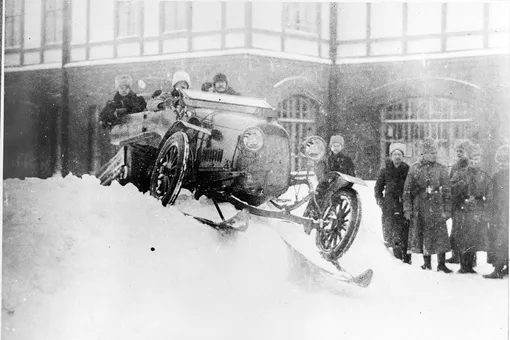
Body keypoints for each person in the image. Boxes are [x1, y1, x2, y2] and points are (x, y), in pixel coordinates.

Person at [403, 137, 453, 273]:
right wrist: (407, 209)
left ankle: (441, 264)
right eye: (430, 152)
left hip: (437, 204)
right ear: (424, 153)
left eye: (435, 152)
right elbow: (407, 191)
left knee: (440, 234)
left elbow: (448, 191)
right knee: (423, 232)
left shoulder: (441, 169)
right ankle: (427, 263)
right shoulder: (415, 168)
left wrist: (447, 210)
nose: (433, 155)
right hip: (420, 204)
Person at [450, 144, 490, 274]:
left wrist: (483, 206)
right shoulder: (460, 173)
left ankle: (470, 265)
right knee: (463, 236)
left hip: (477, 208)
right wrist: (461, 196)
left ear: (480, 160)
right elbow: (451, 189)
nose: (474, 162)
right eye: (472, 159)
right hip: (463, 207)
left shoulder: (484, 175)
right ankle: (463, 265)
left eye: (477, 159)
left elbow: (489, 193)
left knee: (474, 236)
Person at [374, 142, 411, 263]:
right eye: (395, 154)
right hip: (389, 205)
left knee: (403, 231)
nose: (397, 157)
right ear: (391, 156)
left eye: (399, 154)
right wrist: (380, 200)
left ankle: (406, 257)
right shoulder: (385, 171)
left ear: (403, 156)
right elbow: (378, 187)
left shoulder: (407, 170)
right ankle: (395, 259)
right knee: (390, 231)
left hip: (402, 204)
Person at [304, 135, 356, 217]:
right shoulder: (327, 159)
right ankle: (312, 211)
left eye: (338, 146)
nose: (336, 148)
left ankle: (331, 210)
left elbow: (351, 174)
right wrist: (323, 178)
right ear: (331, 147)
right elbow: (322, 171)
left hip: (340, 183)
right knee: (318, 192)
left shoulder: (347, 160)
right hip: (327, 182)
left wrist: (347, 182)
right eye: (334, 146)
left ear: (341, 147)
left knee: (332, 193)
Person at [484, 144, 509, 279]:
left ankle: (499, 269)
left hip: (504, 214)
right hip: (498, 213)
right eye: (500, 161)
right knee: (500, 239)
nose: (502, 164)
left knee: (501, 239)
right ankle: (502, 266)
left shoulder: (502, 176)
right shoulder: (497, 176)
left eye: (505, 161)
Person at [446, 139, 473, 264]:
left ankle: (470, 259)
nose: (458, 153)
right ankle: (455, 255)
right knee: (456, 229)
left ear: (466, 152)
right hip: (456, 202)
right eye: (457, 151)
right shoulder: (455, 166)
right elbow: (450, 183)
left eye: (461, 151)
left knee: (467, 230)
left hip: (466, 202)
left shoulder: (469, 165)